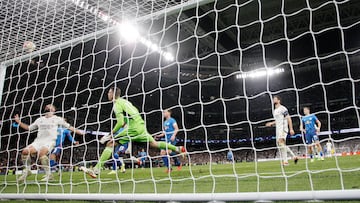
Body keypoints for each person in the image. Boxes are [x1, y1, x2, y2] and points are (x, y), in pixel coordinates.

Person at [81, 87, 185, 178]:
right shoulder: (125, 102)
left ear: (113, 94)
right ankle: (178, 148)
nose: (107, 94)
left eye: (109, 92)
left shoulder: (117, 104)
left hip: (133, 128)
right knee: (154, 144)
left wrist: (110, 134)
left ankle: (96, 170)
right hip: (140, 125)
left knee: (111, 143)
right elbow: (128, 118)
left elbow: (121, 122)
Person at [14, 104, 84, 182]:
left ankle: (49, 174)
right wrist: (19, 122)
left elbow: (70, 127)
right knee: (25, 151)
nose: (48, 106)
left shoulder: (58, 119)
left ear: (54, 110)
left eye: (50, 106)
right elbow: (29, 128)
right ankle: (27, 170)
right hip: (38, 141)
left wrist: (80, 132)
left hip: (50, 141)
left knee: (41, 153)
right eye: (46, 106)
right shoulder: (39, 119)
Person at [266, 96, 298, 166]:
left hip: (283, 128)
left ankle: (286, 161)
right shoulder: (275, 110)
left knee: (281, 143)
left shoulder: (283, 108)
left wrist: (291, 129)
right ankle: (294, 157)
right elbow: (278, 120)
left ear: (279, 100)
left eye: (274, 99)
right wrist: (272, 123)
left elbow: (288, 118)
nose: (273, 100)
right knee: (280, 145)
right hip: (278, 129)